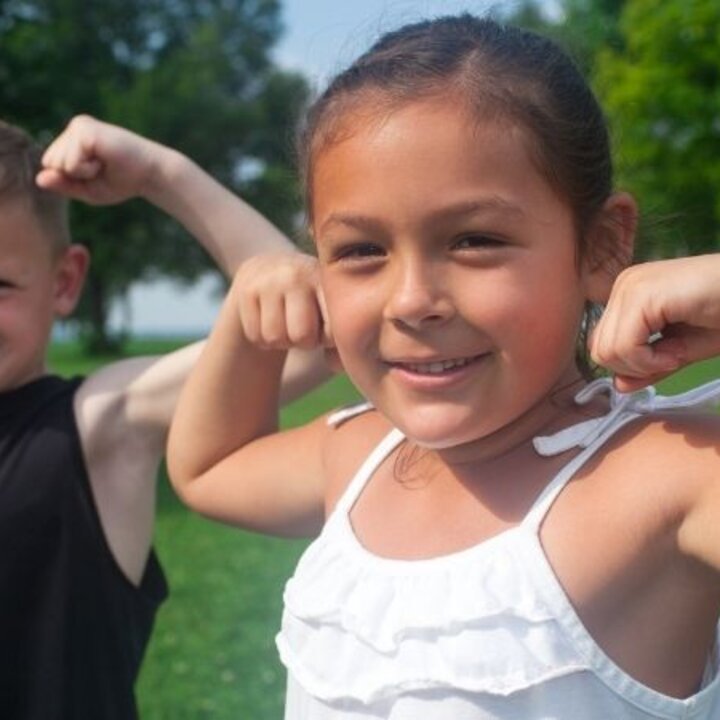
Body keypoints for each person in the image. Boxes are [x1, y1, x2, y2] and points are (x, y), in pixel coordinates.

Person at [167, 15, 720, 720]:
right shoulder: (358, 455)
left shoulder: (673, 479)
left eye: (475, 240)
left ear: (603, 246)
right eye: (361, 250)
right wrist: (244, 320)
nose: (412, 301)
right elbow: (209, 467)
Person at [0, 114, 329, 720]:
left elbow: (306, 329)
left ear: (65, 281)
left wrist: (161, 173)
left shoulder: (96, 423)